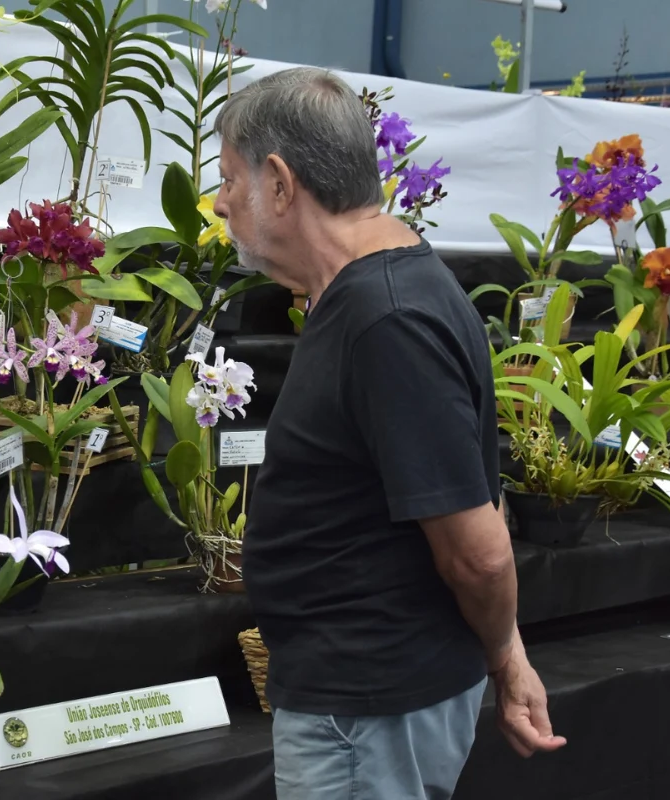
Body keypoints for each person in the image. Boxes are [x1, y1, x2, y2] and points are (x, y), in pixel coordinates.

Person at [212, 67, 567, 799]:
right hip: (367, 700)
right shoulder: (376, 294)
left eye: (228, 180)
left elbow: (479, 553)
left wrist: (507, 657)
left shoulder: (387, 319)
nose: (219, 203)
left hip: (367, 710)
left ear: (279, 183)